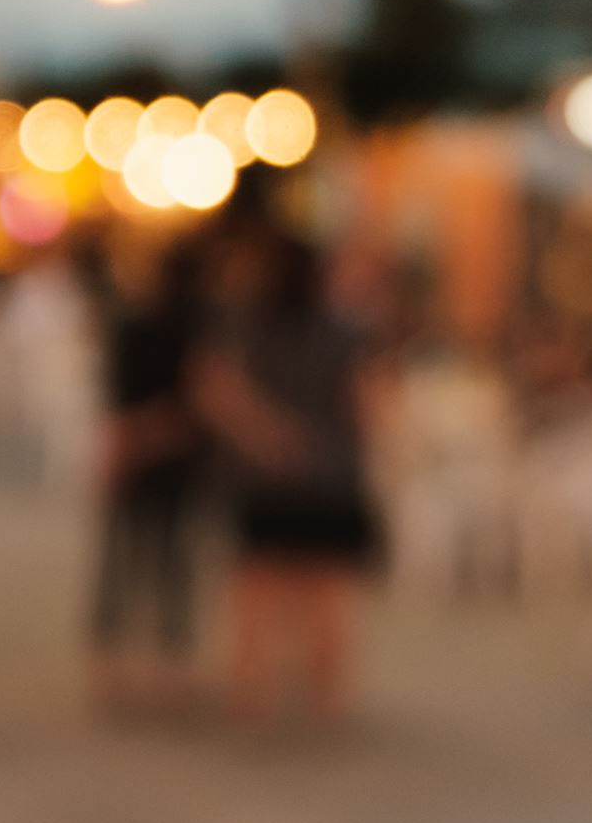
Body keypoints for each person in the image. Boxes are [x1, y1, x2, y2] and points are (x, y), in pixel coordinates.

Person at [196, 227, 380, 727]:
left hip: (263, 481)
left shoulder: (244, 326)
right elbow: (368, 405)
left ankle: (251, 690)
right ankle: (326, 696)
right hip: (332, 478)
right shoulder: (345, 332)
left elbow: (216, 392)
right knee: (328, 596)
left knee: (256, 591)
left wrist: (266, 436)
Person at [88, 237, 206, 710]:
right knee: (166, 559)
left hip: (143, 448)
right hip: (173, 452)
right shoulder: (200, 329)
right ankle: (163, 660)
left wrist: (125, 445)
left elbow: (117, 401)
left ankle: (114, 657)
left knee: (131, 557)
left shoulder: (140, 326)